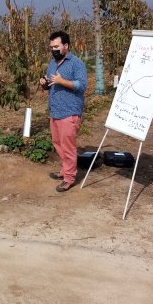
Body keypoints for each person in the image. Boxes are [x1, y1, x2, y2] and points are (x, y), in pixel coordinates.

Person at [40, 31, 87, 192]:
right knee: (58, 143)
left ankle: (69, 178)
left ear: (66, 46)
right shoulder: (52, 64)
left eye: (56, 46)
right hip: (55, 111)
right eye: (51, 47)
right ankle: (65, 170)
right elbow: (50, 84)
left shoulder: (76, 63)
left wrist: (62, 81)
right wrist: (44, 83)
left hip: (69, 112)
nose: (53, 49)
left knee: (68, 146)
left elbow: (82, 86)